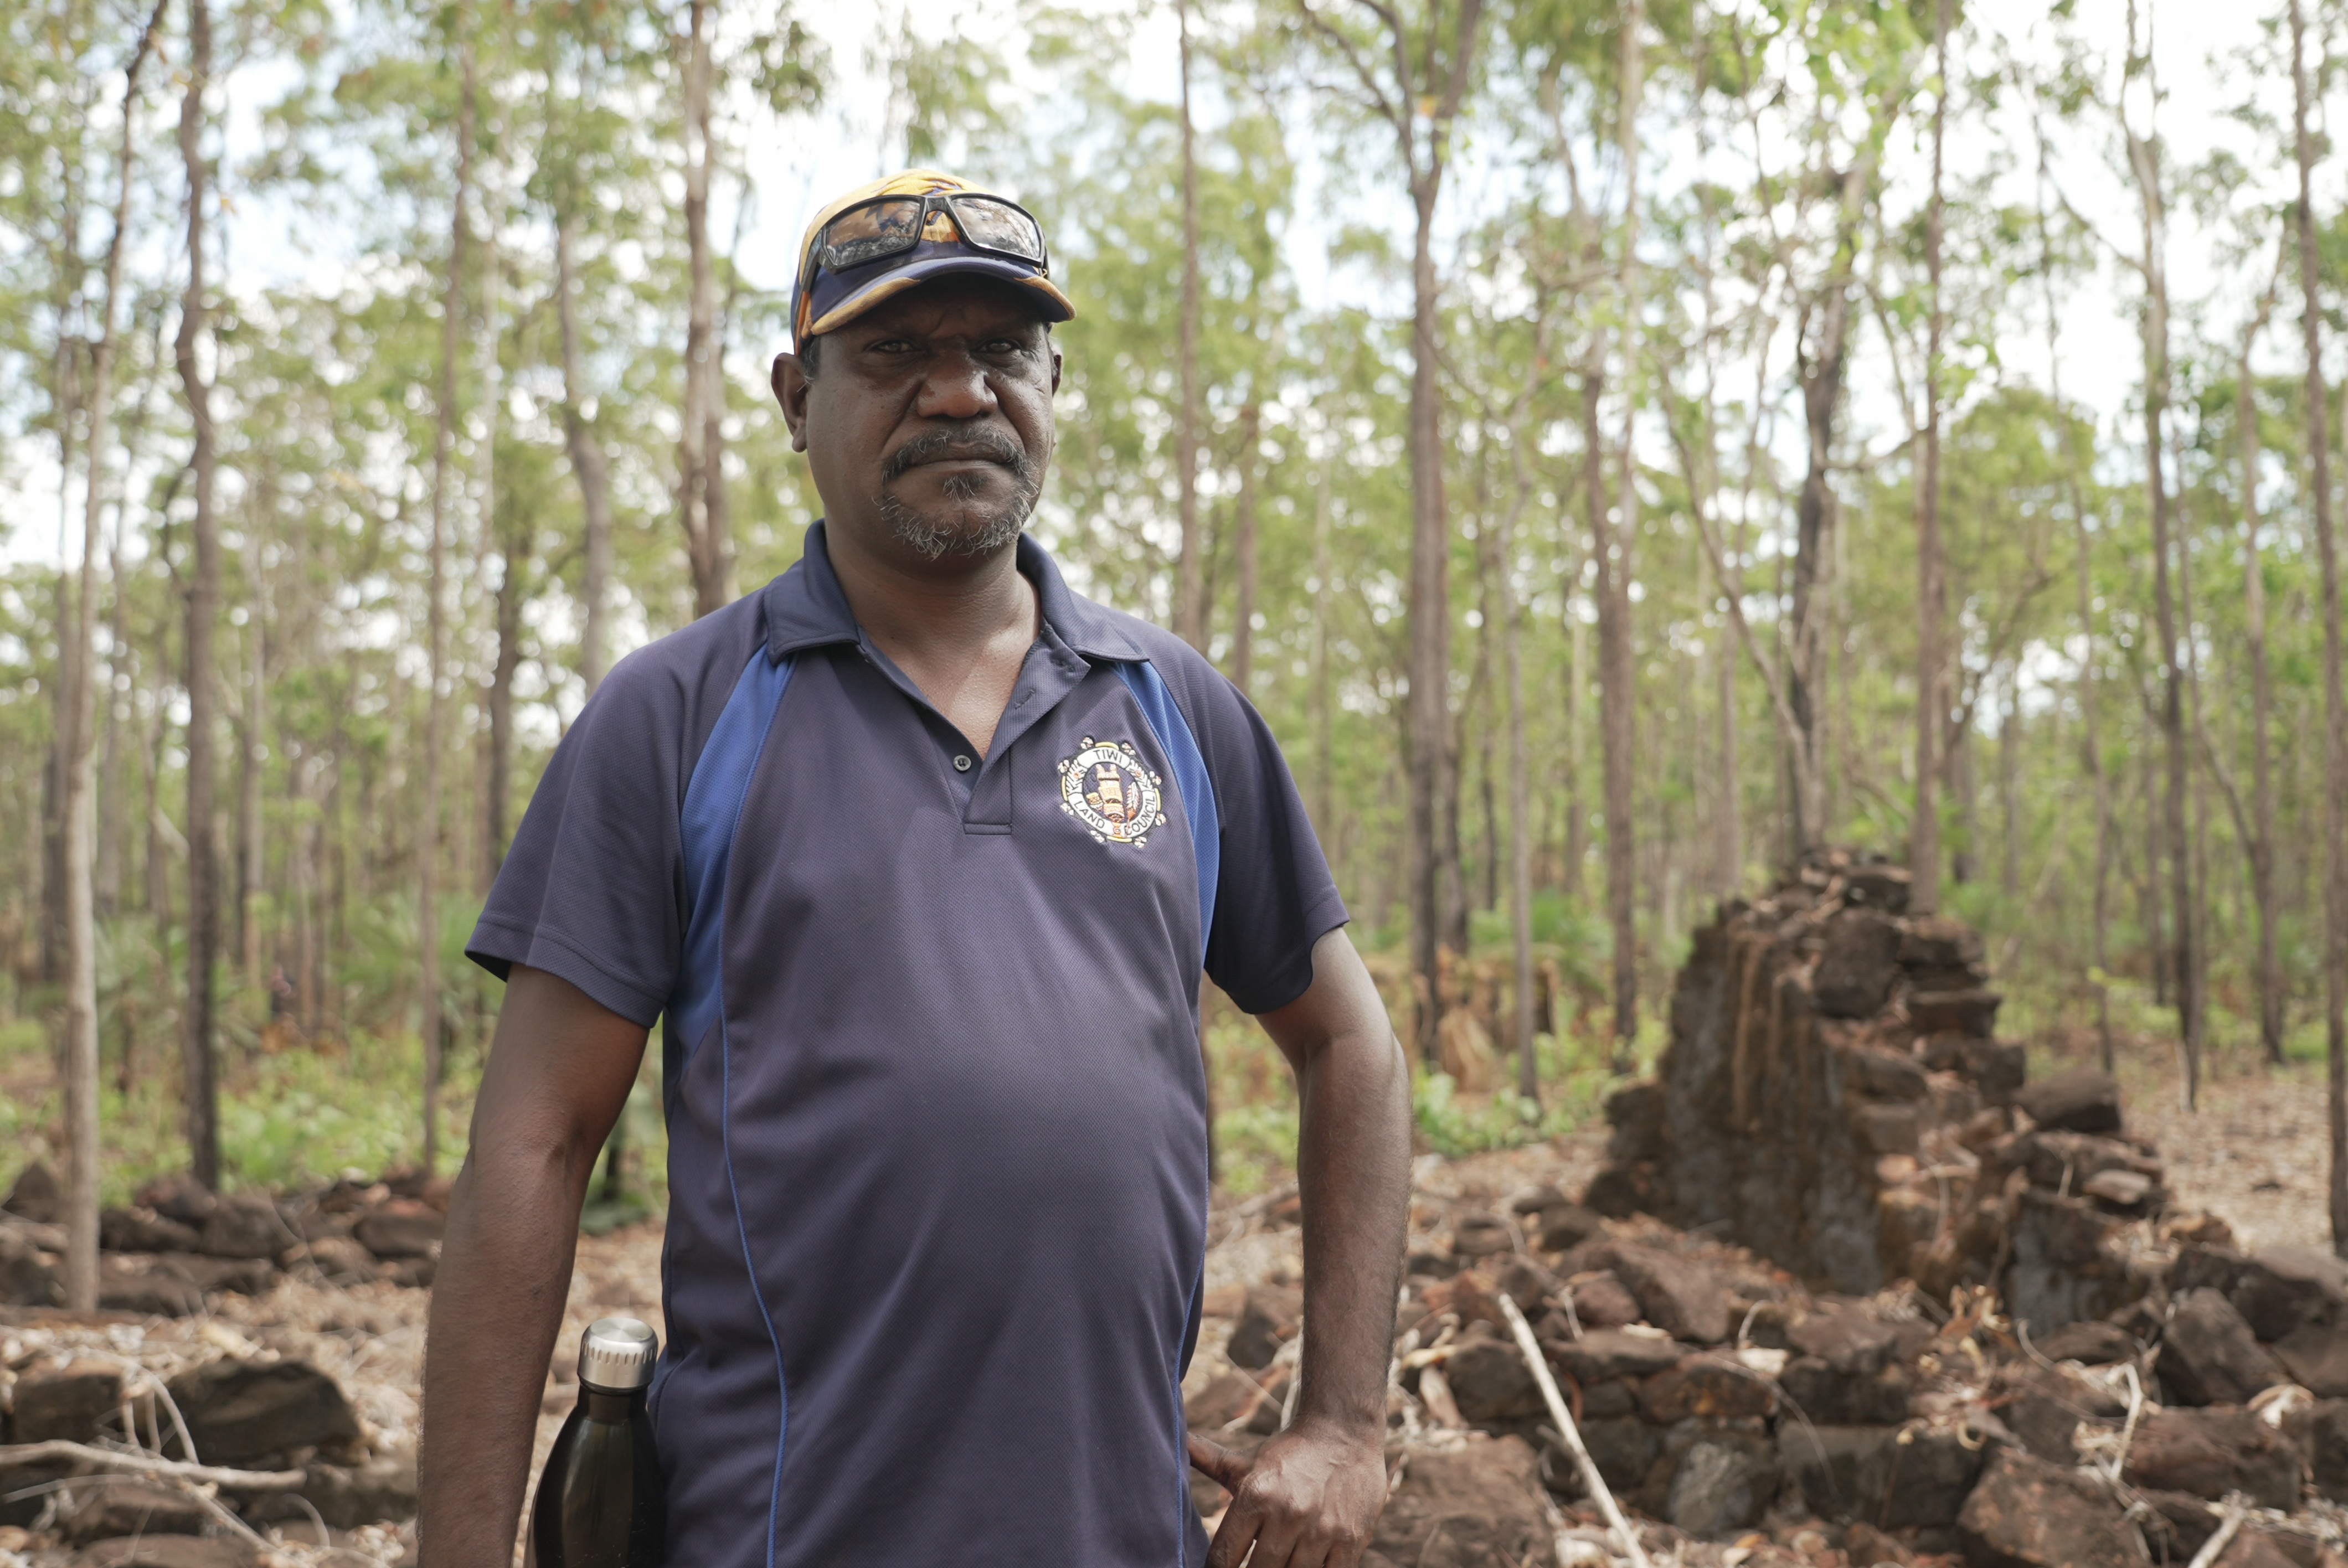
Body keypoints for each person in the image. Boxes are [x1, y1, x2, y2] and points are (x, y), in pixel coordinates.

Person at [417, 169, 1412, 1568]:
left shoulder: (1172, 706)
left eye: (1002, 351)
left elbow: (1350, 1045)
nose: (959, 392)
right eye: (895, 352)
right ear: (792, 396)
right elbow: (533, 1146)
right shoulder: (683, 715)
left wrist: (1345, 1424)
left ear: (1051, 383)